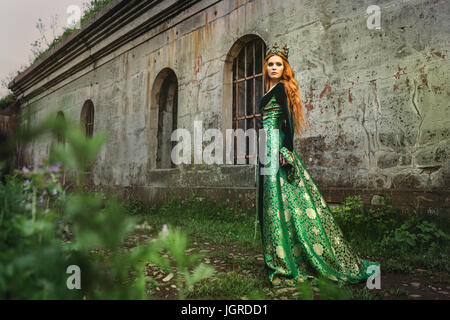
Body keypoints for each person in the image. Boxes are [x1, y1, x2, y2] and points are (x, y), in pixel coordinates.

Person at [255, 43, 379, 287]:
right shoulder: (271, 88)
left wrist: (287, 152)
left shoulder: (281, 89)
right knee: (275, 201)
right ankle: (282, 253)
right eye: (270, 64)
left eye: (278, 64)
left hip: (274, 146)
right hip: (265, 146)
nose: (274, 67)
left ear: (285, 68)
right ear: (265, 67)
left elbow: (288, 124)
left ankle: (288, 259)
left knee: (282, 197)